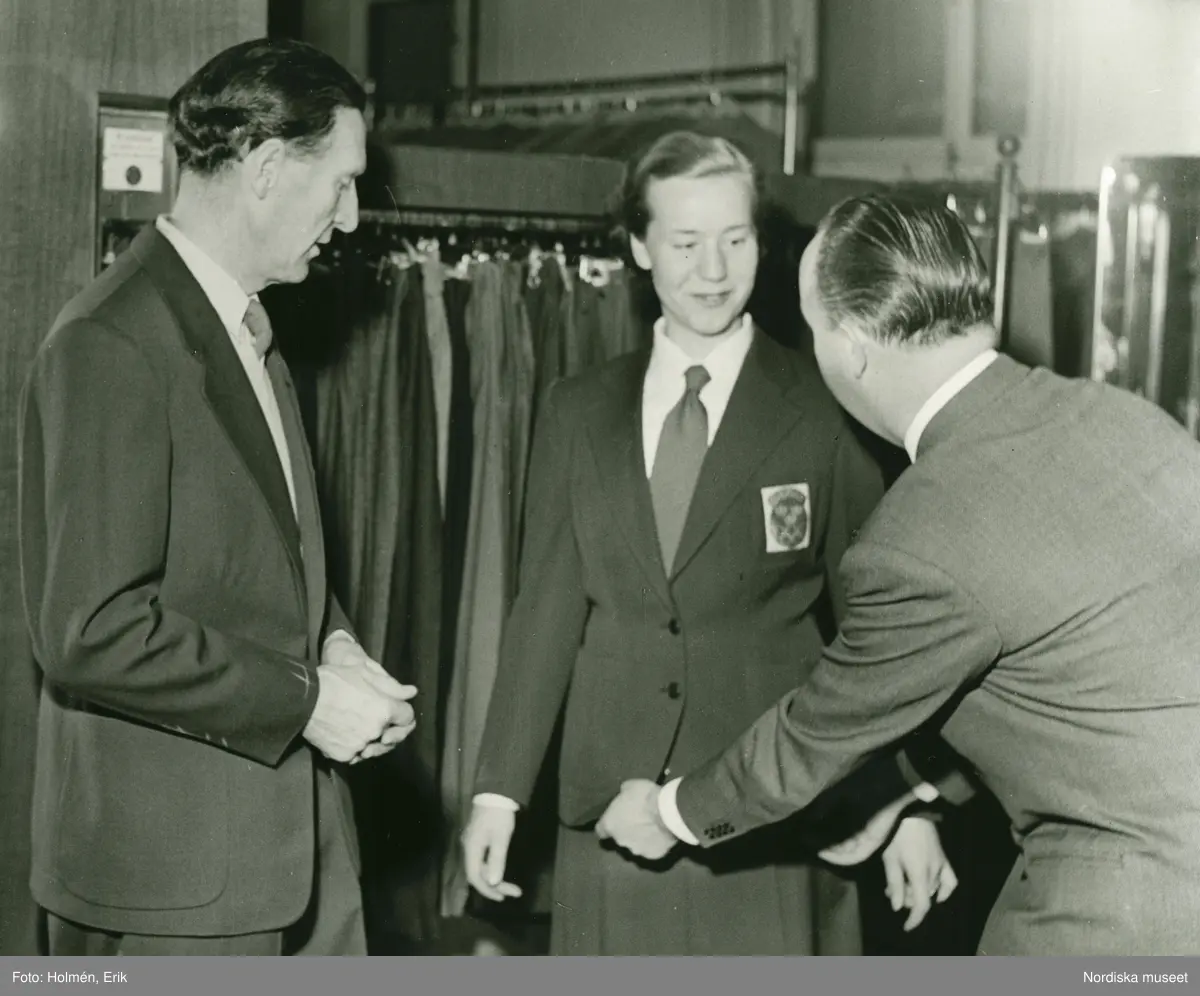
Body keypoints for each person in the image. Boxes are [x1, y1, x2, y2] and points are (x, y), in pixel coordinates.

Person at [597, 194, 1200, 955]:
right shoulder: (1127, 418)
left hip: (1136, 917)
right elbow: (1080, 673)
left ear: (850, 349)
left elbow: (813, 734)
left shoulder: (919, 535)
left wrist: (669, 813)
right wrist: (904, 785)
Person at [459, 133, 959, 956]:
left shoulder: (827, 407)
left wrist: (906, 805)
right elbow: (543, 614)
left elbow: (879, 632)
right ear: (638, 247)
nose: (714, 270)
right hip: (610, 815)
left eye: (735, 240)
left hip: (770, 815)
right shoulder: (575, 410)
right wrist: (498, 794)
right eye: (686, 244)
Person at [17, 38, 417, 956]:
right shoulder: (112, 342)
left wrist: (334, 644)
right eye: (342, 184)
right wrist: (307, 701)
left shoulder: (242, 326)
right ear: (269, 169)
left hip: (283, 857)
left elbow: (251, 558)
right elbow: (89, 631)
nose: (351, 217)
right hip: (173, 887)